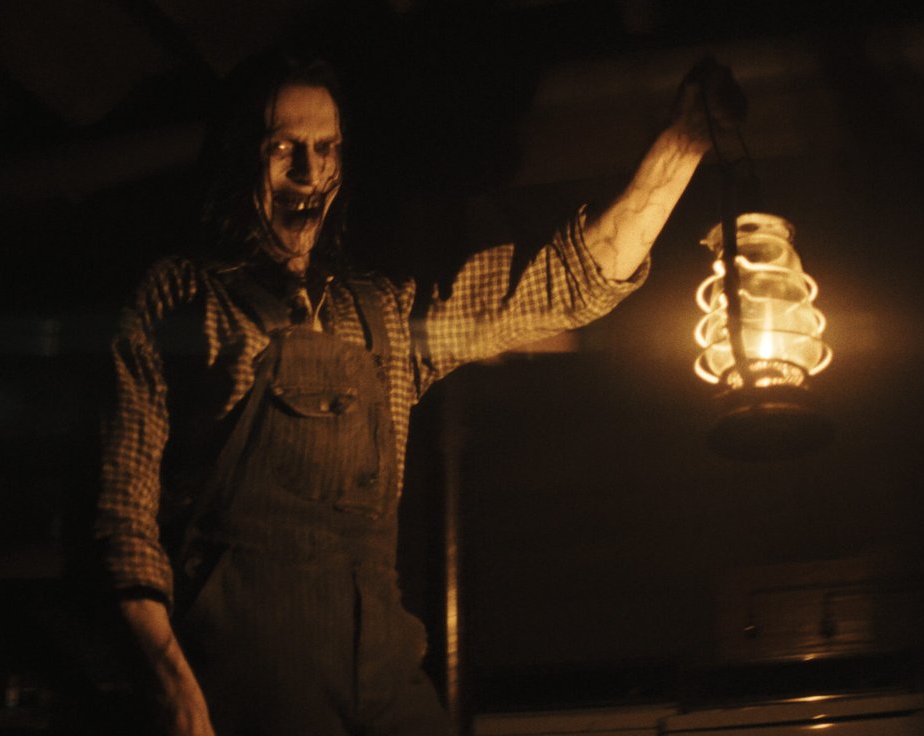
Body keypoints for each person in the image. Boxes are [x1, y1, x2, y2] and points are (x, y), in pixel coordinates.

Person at [98, 49, 743, 735]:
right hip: (242, 684)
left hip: (384, 681)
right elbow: (120, 514)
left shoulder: (380, 315)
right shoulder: (179, 297)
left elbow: (566, 281)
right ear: (239, 159)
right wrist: (173, 684)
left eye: (325, 149)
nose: (308, 173)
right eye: (282, 149)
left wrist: (684, 143)